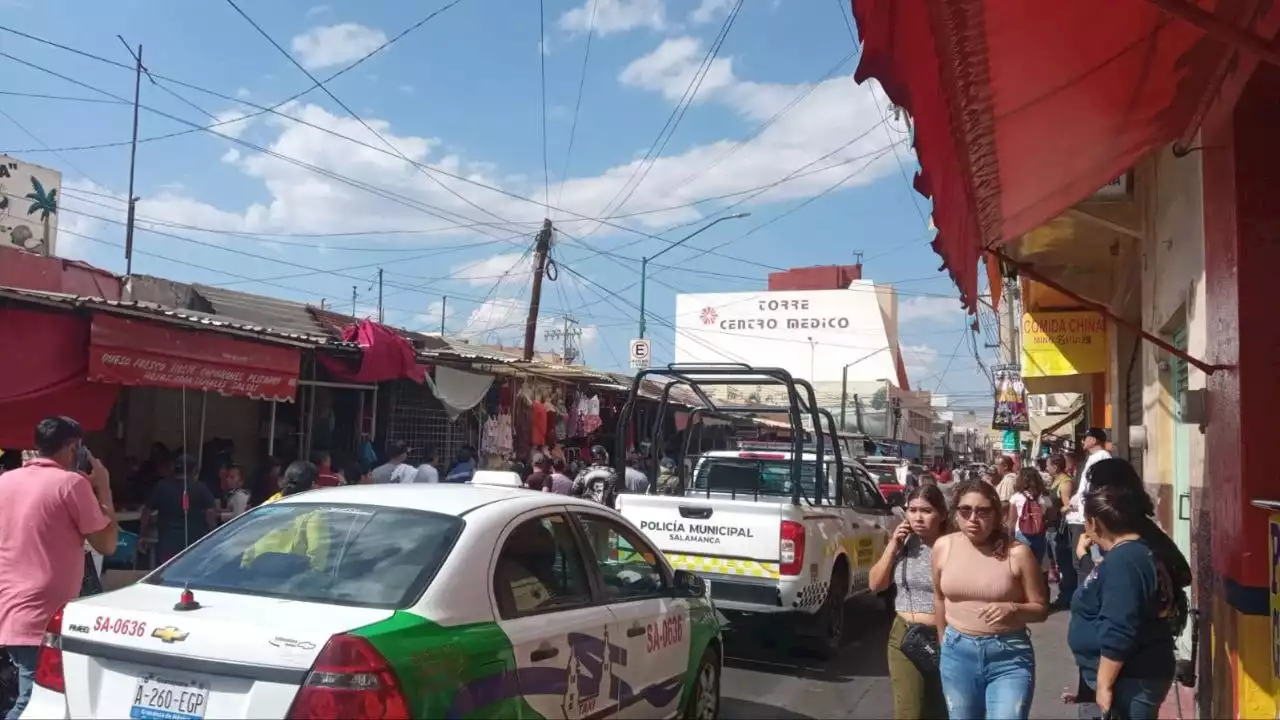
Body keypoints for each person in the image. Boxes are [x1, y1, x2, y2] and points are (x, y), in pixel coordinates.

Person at [0, 417, 118, 720]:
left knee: (36, 698)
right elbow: (107, 543)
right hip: (45, 614)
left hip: (11, 607)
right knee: (32, 702)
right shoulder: (71, 485)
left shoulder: (5, 481)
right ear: (73, 447)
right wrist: (103, 487)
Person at [933, 479, 1049, 720]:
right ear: (956, 514)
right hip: (957, 655)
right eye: (965, 511)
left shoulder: (1018, 553)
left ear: (997, 515)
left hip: (1008, 656)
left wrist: (1013, 609)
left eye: (982, 511)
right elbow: (939, 598)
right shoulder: (943, 547)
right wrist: (944, 640)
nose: (973, 518)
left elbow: (1040, 609)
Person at [1069, 479, 1182, 719]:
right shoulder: (1129, 554)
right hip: (1131, 675)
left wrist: (1104, 684)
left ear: (1094, 523)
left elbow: (1119, 627)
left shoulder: (1125, 561)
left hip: (1132, 677)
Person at [869, 485, 949, 719]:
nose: (917, 517)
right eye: (912, 510)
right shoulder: (904, 544)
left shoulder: (953, 545)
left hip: (946, 637)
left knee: (941, 712)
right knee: (910, 712)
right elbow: (876, 584)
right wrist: (893, 545)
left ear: (942, 514)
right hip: (906, 637)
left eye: (926, 511)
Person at [242, 461, 329, 571]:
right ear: (313, 485)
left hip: (252, 574)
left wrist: (245, 568)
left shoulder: (267, 506)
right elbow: (318, 554)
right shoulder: (313, 513)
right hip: (289, 580)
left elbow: (247, 540)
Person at [140, 454, 218, 565]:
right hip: (194, 542)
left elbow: (146, 512)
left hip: (167, 542)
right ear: (194, 471)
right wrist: (212, 531)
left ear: (174, 469)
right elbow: (210, 513)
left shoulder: (161, 487)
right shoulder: (200, 487)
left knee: (168, 573)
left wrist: (142, 534)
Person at [1065, 429, 1113, 584]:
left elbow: (1095, 488)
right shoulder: (1092, 458)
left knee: (1085, 560)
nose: (1083, 442)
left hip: (1090, 519)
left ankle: (1088, 593)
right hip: (1083, 518)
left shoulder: (1102, 458)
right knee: (1083, 559)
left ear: (1093, 440)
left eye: (1085, 438)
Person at [1008, 468, 1052, 572]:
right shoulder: (1044, 497)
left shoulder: (1016, 497)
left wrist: (1010, 537)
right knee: (1039, 567)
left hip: (1022, 535)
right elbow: (1051, 517)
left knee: (1025, 569)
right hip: (1040, 535)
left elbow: (1012, 520)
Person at [1046, 454, 1075, 602]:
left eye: (1048, 465)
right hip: (1052, 527)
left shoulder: (1065, 482)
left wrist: (1056, 511)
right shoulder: (1055, 481)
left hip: (1062, 528)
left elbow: (1068, 506)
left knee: (1064, 563)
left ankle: (1067, 596)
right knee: (1057, 561)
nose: (1046, 468)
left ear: (1055, 467)